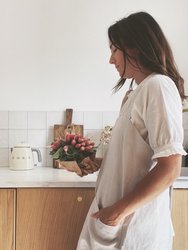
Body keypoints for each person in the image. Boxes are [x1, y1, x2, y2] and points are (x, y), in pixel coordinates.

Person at [76, 11, 187, 250]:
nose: (111, 59)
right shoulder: (135, 93)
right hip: (116, 225)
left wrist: (117, 212)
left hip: (134, 229)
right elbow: (133, 158)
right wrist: (94, 162)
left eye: (115, 49)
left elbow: (170, 167)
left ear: (135, 48)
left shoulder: (158, 86)